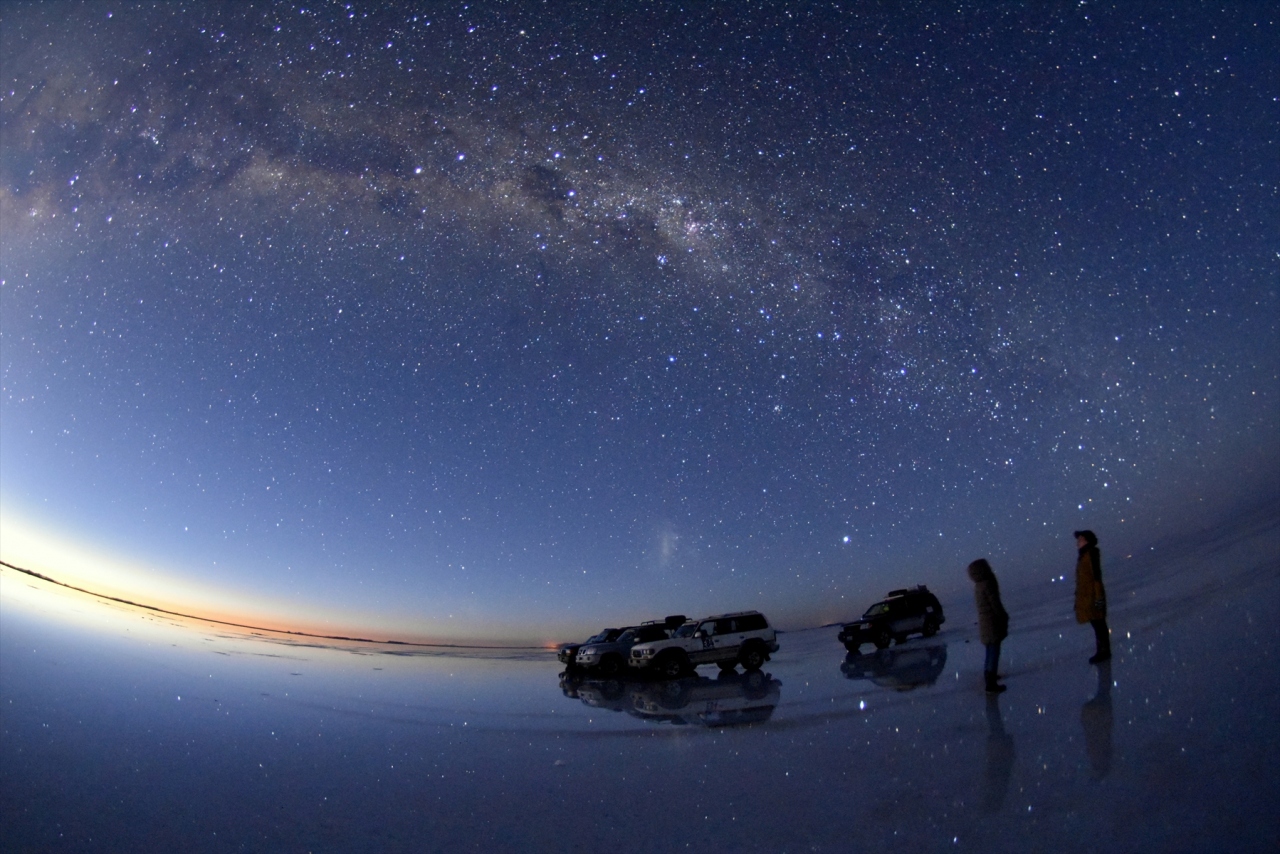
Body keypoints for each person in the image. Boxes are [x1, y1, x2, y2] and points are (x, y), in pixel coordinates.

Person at [968, 558, 1009, 693]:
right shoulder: (987, 583)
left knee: (990, 650)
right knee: (994, 650)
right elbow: (995, 603)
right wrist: (1003, 616)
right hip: (992, 622)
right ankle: (991, 683)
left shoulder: (978, 585)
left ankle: (989, 675)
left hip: (985, 623)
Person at [1074, 530, 1111, 663]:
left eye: (1081, 539)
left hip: (1093, 596)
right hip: (1088, 597)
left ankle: (1104, 651)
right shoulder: (1084, 556)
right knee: (1097, 624)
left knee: (1099, 623)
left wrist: (1099, 598)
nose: (1078, 542)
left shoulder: (1091, 554)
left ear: (1087, 541)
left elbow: (1096, 578)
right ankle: (1101, 650)